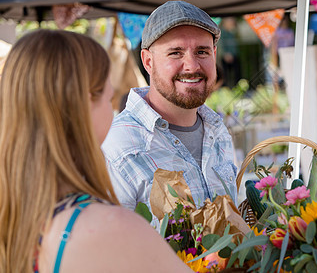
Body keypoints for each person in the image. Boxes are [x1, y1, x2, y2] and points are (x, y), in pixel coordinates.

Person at [0, 29, 192, 272]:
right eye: (108, 97)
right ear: (83, 105)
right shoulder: (111, 229)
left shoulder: (13, 215)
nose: (112, 111)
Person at [102, 0, 238, 228]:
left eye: (202, 51)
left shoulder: (218, 130)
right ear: (148, 61)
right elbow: (108, 250)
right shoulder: (119, 147)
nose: (191, 66)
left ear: (214, 55)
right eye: (175, 53)